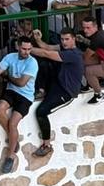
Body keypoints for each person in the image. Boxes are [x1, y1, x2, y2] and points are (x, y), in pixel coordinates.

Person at [29, 28, 84, 156]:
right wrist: (38, 40)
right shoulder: (63, 48)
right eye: (62, 39)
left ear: (74, 39)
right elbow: (47, 47)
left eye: (67, 39)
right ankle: (41, 89)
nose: (64, 42)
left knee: (41, 112)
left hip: (66, 92)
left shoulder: (73, 54)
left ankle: (47, 144)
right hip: (57, 82)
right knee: (45, 65)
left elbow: (46, 53)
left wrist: (27, 49)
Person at [0, 36, 38, 176]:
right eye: (24, 49)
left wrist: (7, 77)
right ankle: (12, 137)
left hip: (25, 96)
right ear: (18, 47)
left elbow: (21, 83)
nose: (27, 52)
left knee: (13, 123)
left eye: (29, 49)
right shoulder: (10, 57)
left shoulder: (33, 63)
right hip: (11, 92)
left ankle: (10, 156)